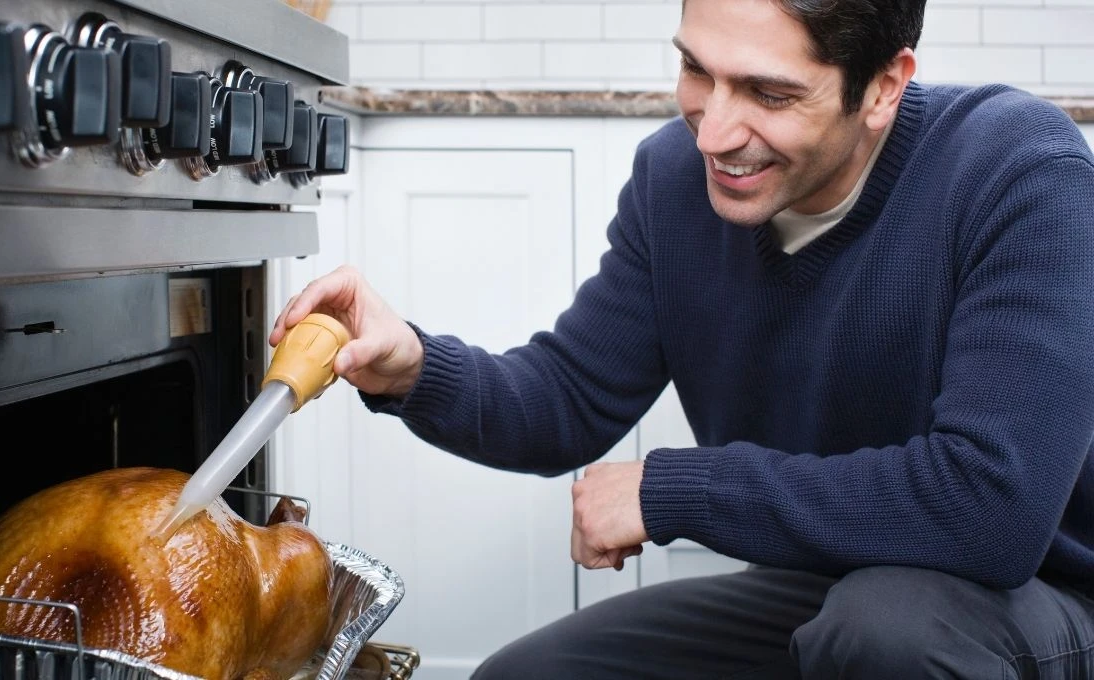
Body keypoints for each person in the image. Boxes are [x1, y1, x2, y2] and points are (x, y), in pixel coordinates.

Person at [271, 0, 1094, 676]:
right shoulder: (673, 180)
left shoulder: (1020, 171)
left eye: (769, 94)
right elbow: (569, 398)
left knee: (884, 633)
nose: (712, 133)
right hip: (824, 585)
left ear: (882, 88)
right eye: (698, 70)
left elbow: (991, 510)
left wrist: (673, 492)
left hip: (1035, 597)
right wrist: (414, 367)